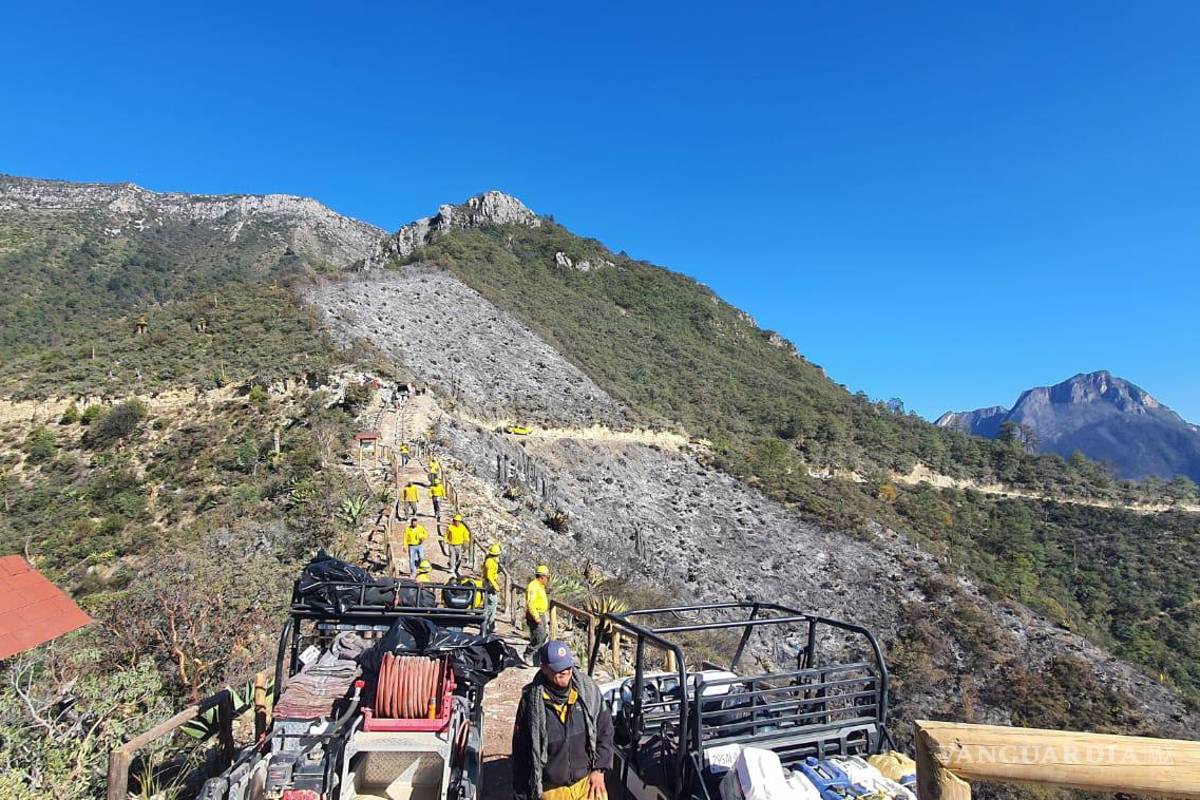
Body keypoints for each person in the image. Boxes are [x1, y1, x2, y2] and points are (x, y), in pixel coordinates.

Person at [512, 640, 614, 800]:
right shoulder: (531, 702)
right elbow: (521, 753)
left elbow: (605, 730)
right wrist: (522, 794)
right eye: (558, 668)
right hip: (552, 789)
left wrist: (599, 770)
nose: (565, 671)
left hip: (588, 783)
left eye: (567, 666)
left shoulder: (588, 691)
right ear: (544, 668)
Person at [524, 565, 551, 664]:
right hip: (536, 615)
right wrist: (536, 617)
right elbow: (530, 603)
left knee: (542, 637)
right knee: (539, 637)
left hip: (541, 614)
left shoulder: (540, 586)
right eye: (547, 577)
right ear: (542, 576)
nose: (547, 579)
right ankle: (528, 654)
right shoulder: (533, 586)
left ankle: (537, 660)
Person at [482, 542, 502, 632]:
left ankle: (489, 625)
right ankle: (488, 625)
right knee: (491, 605)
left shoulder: (492, 561)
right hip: (489, 585)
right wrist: (495, 586)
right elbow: (489, 576)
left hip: (489, 584)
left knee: (491, 604)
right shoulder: (490, 562)